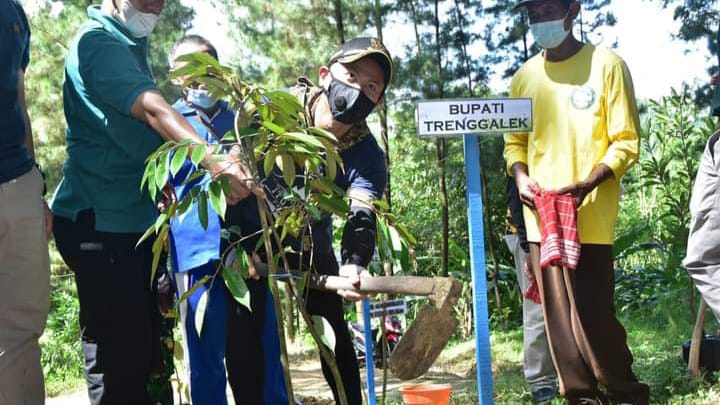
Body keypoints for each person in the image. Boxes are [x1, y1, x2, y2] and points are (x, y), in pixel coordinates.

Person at [51, 1, 259, 404]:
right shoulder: (98, 41)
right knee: (119, 360)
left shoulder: (129, 43)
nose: (153, 6)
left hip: (130, 222)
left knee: (142, 354)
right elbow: (152, 108)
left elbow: (126, 133)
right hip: (100, 222)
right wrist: (214, 160)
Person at [504, 1, 649, 404]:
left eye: (549, 9)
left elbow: (626, 141)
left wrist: (589, 182)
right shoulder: (524, 77)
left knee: (592, 316)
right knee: (558, 321)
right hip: (539, 217)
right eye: (533, 13)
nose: (540, 20)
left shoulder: (607, 65)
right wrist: (520, 177)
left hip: (589, 216)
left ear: (572, 11)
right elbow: (514, 142)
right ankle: (581, 397)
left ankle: (625, 392)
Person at [165, 35, 288, 405]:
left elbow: (270, 180)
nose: (198, 77)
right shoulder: (165, 121)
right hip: (196, 258)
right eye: (187, 68)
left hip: (250, 255)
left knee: (263, 355)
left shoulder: (244, 121)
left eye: (206, 66)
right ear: (174, 76)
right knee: (205, 360)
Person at [286, 36, 392, 405]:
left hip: (312, 242)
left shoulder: (366, 155)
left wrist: (353, 264)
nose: (357, 89)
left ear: (377, 102)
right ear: (325, 74)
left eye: (371, 86)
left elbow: (361, 212)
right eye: (350, 75)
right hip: (251, 238)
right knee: (251, 338)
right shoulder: (276, 111)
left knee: (333, 334)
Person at [0, 1, 52, 404]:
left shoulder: (12, 11)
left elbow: (18, 94)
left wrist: (36, 185)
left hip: (19, 182)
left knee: (21, 330)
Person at [505, 180, 558, 404]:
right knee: (537, 305)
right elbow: (516, 198)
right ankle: (541, 380)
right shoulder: (521, 153)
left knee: (563, 305)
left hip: (555, 228)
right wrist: (527, 246)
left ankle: (565, 371)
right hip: (527, 234)